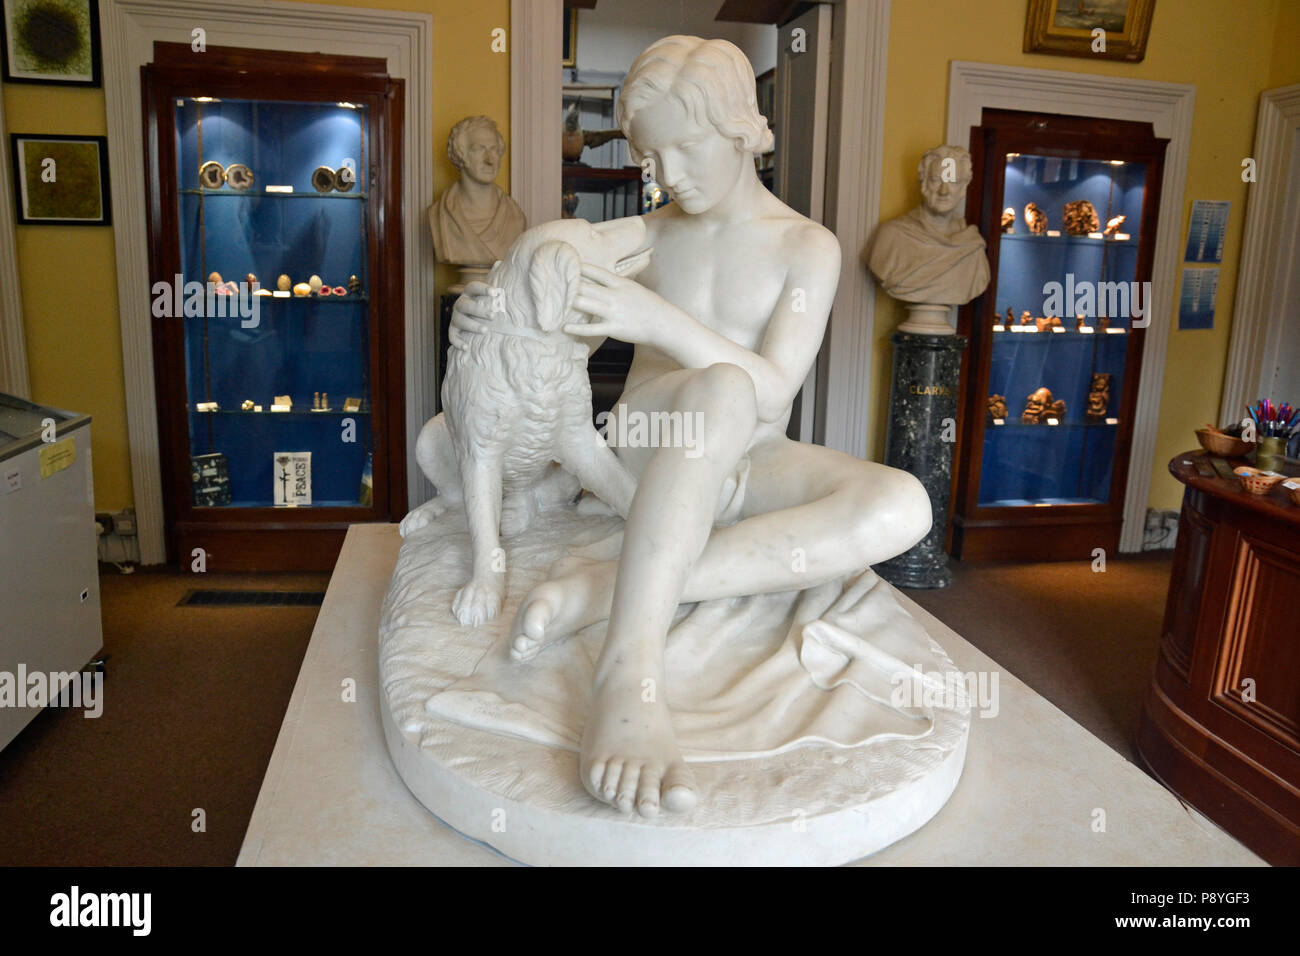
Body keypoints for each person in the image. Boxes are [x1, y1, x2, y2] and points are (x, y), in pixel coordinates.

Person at [450, 36, 930, 818]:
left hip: (751, 455)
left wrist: (653, 316)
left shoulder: (807, 247)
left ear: (740, 128)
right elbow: (543, 267)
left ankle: (610, 587)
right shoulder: (648, 234)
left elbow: (773, 395)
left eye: (685, 147)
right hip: (651, 446)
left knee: (902, 504)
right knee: (718, 392)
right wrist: (490, 303)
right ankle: (627, 671)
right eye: (652, 154)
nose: (667, 174)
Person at [866, 144, 989, 305]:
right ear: (923, 182)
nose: (943, 191)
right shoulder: (892, 235)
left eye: (952, 182)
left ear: (963, 187)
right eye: (936, 180)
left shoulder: (972, 246)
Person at [429, 115, 526, 266]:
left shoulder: (515, 217)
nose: (490, 160)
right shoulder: (438, 215)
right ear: (460, 154)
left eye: (494, 150)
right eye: (479, 149)